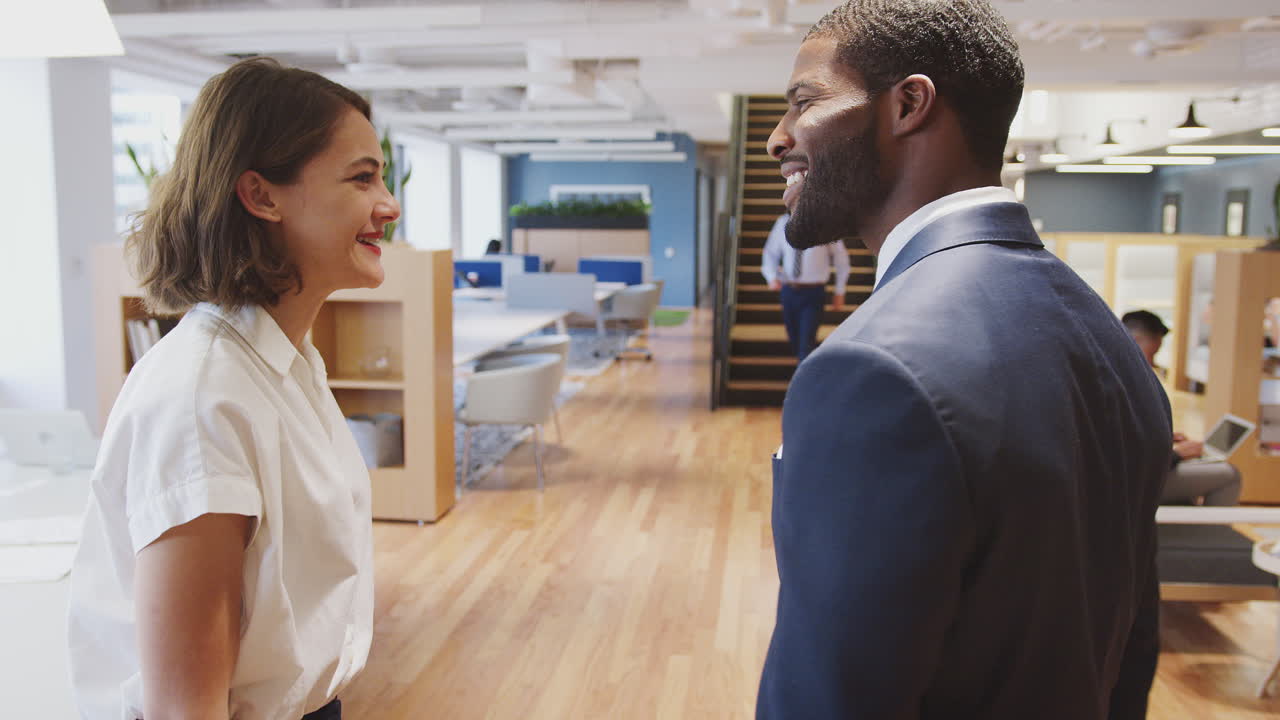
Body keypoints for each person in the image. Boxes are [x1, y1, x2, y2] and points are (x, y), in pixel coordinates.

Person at [757, 3, 1171, 719]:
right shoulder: (1103, 332)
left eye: (804, 102)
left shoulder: (870, 371)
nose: (778, 138)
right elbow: (1131, 648)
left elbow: (830, 699)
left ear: (908, 105)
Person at [68, 58, 399, 720]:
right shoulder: (204, 400)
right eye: (362, 179)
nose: (388, 205)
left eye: (383, 178)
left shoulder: (285, 366)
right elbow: (186, 708)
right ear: (262, 195)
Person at [1122, 309, 1242, 506]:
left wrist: (1166, 439)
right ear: (1134, 340)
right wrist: (1177, 455)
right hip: (1132, 482)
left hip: (1136, 474)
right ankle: (1213, 535)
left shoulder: (1114, 379)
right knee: (1229, 475)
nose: (1152, 362)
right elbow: (1126, 458)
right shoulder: (1124, 384)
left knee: (1201, 472)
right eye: (1152, 354)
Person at [761, 213, 851, 361]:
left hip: (813, 293)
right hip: (788, 291)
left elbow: (841, 260)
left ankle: (802, 381)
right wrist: (771, 277)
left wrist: (839, 291)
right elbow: (770, 253)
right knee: (795, 341)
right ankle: (807, 374)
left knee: (806, 344)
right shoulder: (783, 222)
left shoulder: (825, 223)